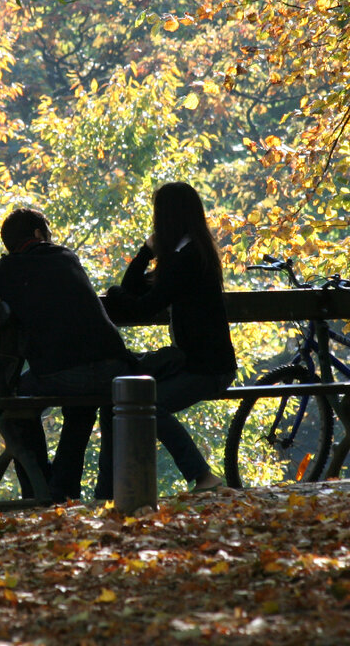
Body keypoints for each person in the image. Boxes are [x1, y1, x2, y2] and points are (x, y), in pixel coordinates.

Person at [0, 207, 133, 501]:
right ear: (38, 234)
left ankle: (39, 487)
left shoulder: (6, 268)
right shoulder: (67, 257)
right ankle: (61, 487)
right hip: (114, 367)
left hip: (64, 373)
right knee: (82, 408)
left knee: (17, 400)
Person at [106, 182, 236, 492]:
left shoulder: (187, 258)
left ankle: (203, 477)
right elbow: (135, 287)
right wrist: (146, 253)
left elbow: (143, 306)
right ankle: (108, 491)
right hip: (195, 363)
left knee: (146, 407)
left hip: (209, 369)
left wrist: (113, 293)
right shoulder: (188, 252)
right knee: (118, 401)